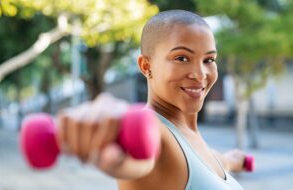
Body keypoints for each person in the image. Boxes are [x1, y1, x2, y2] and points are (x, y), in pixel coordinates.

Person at [57, 10, 246, 190]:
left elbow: (210, 163)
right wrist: (115, 139)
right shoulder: (154, 132)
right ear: (146, 66)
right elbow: (138, 157)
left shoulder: (191, 137)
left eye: (209, 60)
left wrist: (233, 161)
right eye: (182, 58)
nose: (200, 74)